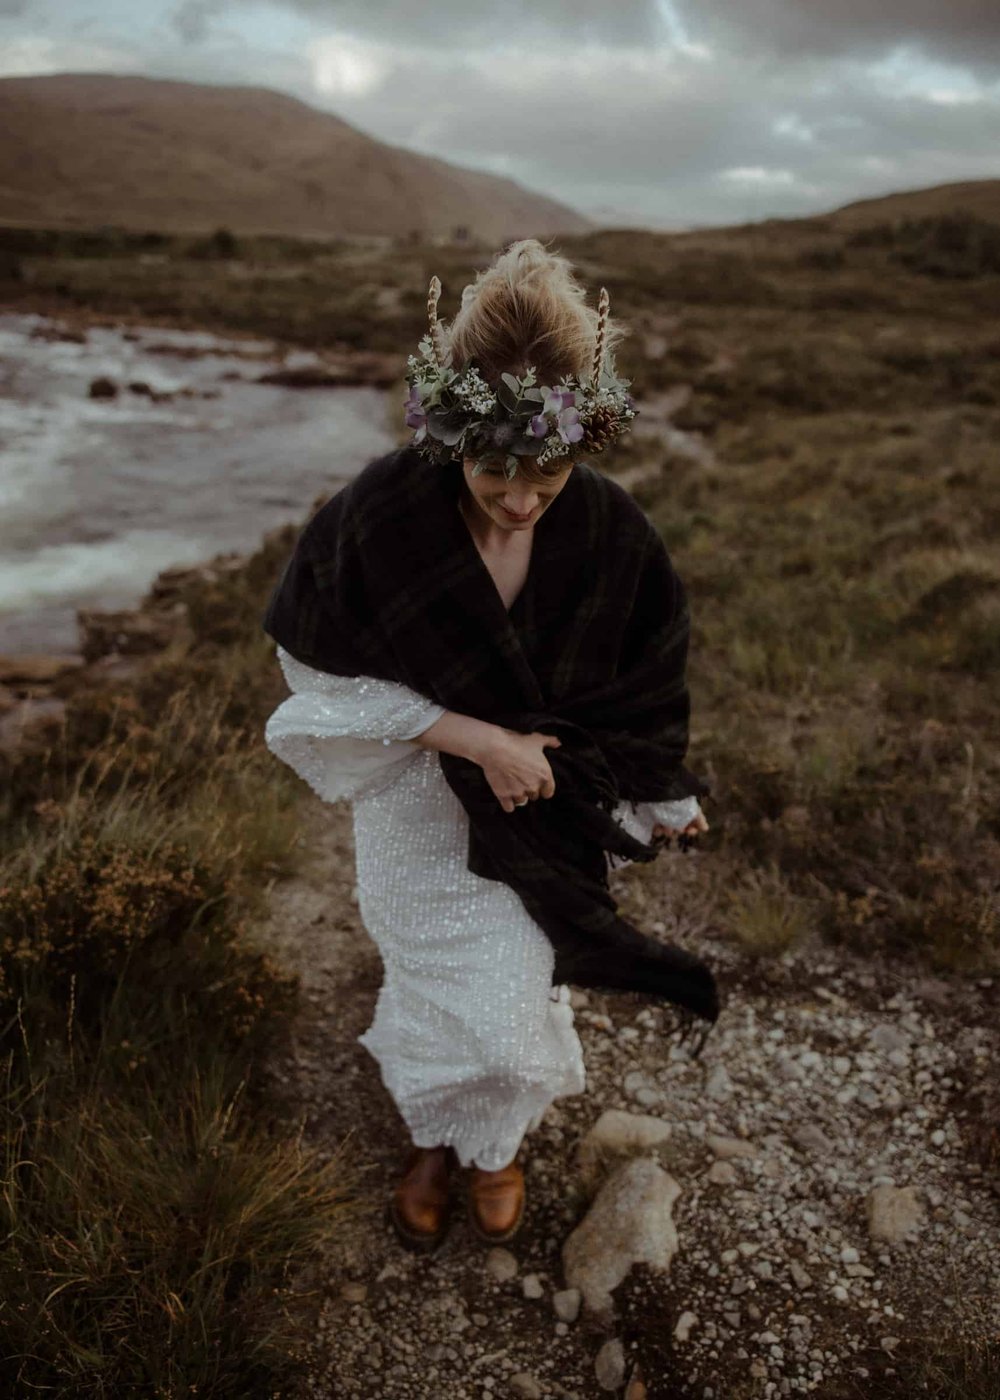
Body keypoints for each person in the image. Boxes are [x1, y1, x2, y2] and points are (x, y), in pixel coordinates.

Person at [262, 239, 716, 1254]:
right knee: (428, 976)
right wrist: (478, 738)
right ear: (447, 434)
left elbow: (647, 674)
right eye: (494, 476)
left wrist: (660, 787)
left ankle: (494, 1142)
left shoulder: (610, 528)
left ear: (581, 443)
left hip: (546, 811)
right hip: (417, 805)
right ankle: (436, 1133)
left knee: (517, 989)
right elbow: (318, 681)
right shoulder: (378, 516)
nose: (519, 502)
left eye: (544, 481)